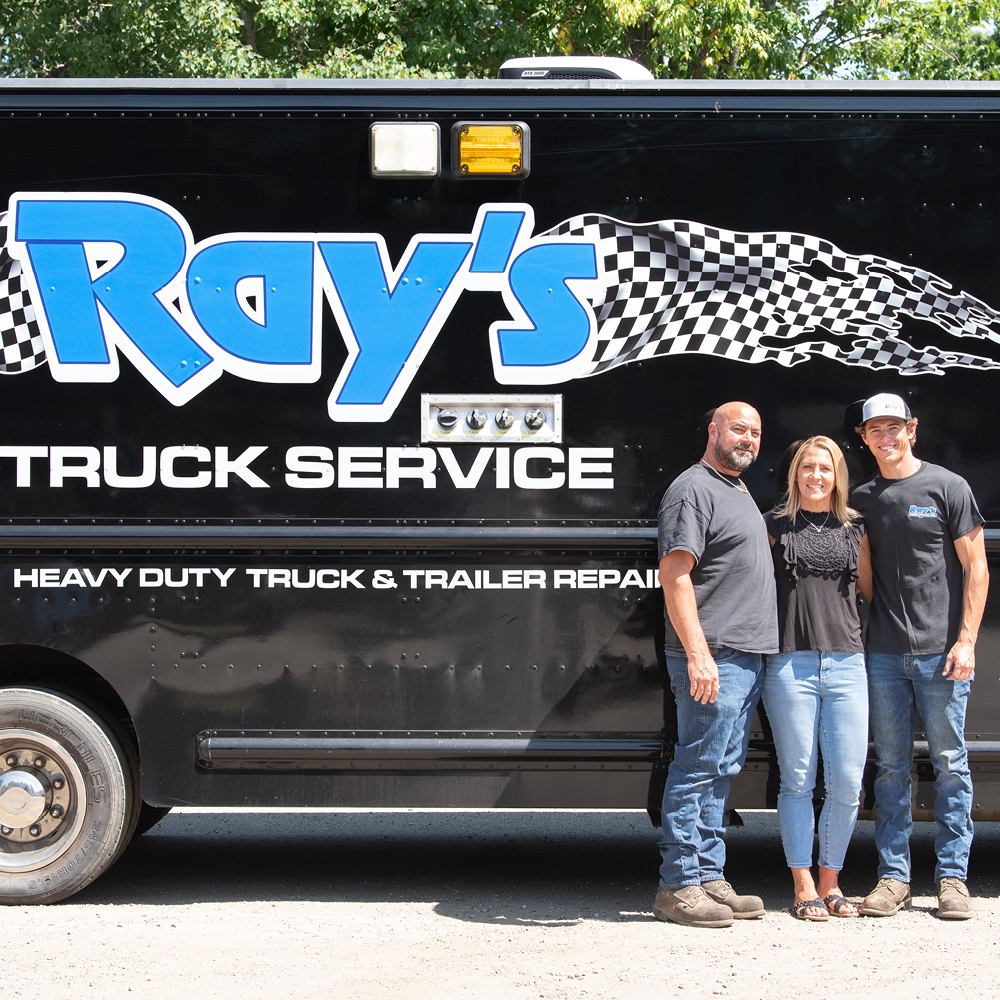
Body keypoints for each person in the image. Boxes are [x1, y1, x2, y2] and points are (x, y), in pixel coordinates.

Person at [852, 393, 989, 920]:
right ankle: (893, 878)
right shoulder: (862, 498)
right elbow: (864, 578)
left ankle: (953, 879)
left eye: (893, 428)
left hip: (942, 655)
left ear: (912, 429)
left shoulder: (947, 487)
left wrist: (967, 640)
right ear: (864, 438)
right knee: (890, 768)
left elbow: (976, 568)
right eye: (874, 431)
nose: (885, 439)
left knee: (951, 765)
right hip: (883, 655)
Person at [654, 401, 778, 928]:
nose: (746, 438)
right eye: (737, 429)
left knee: (721, 769)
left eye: (754, 431)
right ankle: (678, 886)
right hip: (715, 656)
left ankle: (709, 875)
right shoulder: (693, 488)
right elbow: (675, 575)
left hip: (745, 657)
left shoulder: (736, 488)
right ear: (713, 431)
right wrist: (699, 654)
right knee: (697, 767)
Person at [762, 436, 870, 921]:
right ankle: (802, 881)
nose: (816, 476)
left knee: (848, 782)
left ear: (837, 475)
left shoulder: (855, 528)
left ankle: (832, 880)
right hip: (790, 664)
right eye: (807, 467)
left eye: (825, 468)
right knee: (798, 779)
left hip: (848, 663)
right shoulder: (774, 525)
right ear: (795, 473)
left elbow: (868, 591)